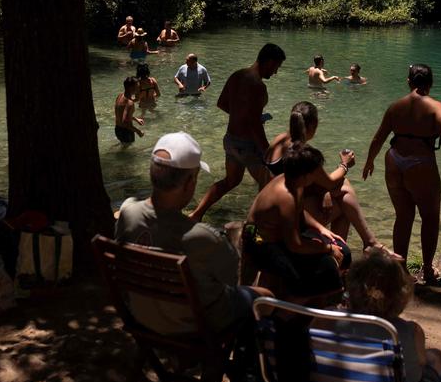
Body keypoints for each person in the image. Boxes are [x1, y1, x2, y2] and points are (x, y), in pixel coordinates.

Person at [115, 132, 270, 334]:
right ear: (189, 183)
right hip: (193, 326)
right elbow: (232, 280)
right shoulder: (202, 237)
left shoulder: (128, 212)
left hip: (142, 318)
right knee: (265, 297)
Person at [362, 64, 441, 283]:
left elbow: (378, 138)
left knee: (403, 216)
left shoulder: (396, 107)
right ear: (430, 84)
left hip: (394, 160)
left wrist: (369, 161)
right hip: (420, 163)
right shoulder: (436, 108)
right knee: (430, 218)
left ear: (409, 82)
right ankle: (427, 270)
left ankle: (401, 271)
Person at [343, 250, 441, 382]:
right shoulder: (408, 331)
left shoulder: (325, 321)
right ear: (401, 296)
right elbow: (419, 369)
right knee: (436, 357)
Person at [266, 101, 390, 253]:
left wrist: (324, 192)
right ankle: (352, 249)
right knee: (344, 197)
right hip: (293, 217)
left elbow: (303, 181)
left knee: (342, 198)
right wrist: (344, 164)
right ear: (314, 125)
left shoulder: (277, 141)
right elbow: (330, 182)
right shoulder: (302, 153)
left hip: (275, 210)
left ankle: (362, 245)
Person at [190, 43, 286, 221]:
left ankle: (196, 214)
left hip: (231, 140)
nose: (275, 72)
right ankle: (257, 227)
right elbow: (254, 126)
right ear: (269, 61)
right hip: (247, 144)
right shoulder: (258, 86)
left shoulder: (237, 75)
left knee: (231, 181)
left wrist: (241, 117)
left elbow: (222, 104)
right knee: (271, 185)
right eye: (276, 67)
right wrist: (268, 153)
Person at [242, 142, 347, 301]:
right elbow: (295, 245)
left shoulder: (291, 181)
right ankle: (298, 307)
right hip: (258, 240)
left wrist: (321, 228)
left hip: (273, 235)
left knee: (342, 251)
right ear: (305, 175)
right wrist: (328, 249)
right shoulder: (286, 196)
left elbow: (299, 212)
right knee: (325, 266)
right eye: (314, 172)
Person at [113, 76, 145, 145]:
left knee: (123, 146)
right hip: (126, 132)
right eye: (137, 86)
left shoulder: (120, 96)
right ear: (131, 88)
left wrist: (136, 119)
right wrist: (138, 131)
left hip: (117, 129)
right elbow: (125, 122)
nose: (139, 88)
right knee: (129, 153)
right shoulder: (130, 103)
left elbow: (121, 115)